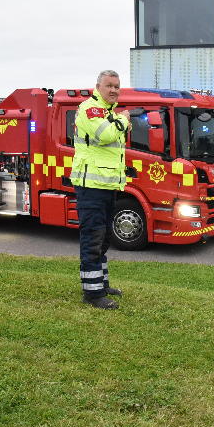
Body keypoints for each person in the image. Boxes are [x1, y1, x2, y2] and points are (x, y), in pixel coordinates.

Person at [69, 70, 131, 310]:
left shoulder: (107, 112)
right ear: (98, 87)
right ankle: (92, 294)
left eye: (117, 86)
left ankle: (100, 285)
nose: (114, 90)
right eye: (109, 86)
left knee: (103, 238)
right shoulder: (90, 109)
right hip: (91, 187)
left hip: (106, 186)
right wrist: (124, 119)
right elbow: (105, 135)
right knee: (93, 238)